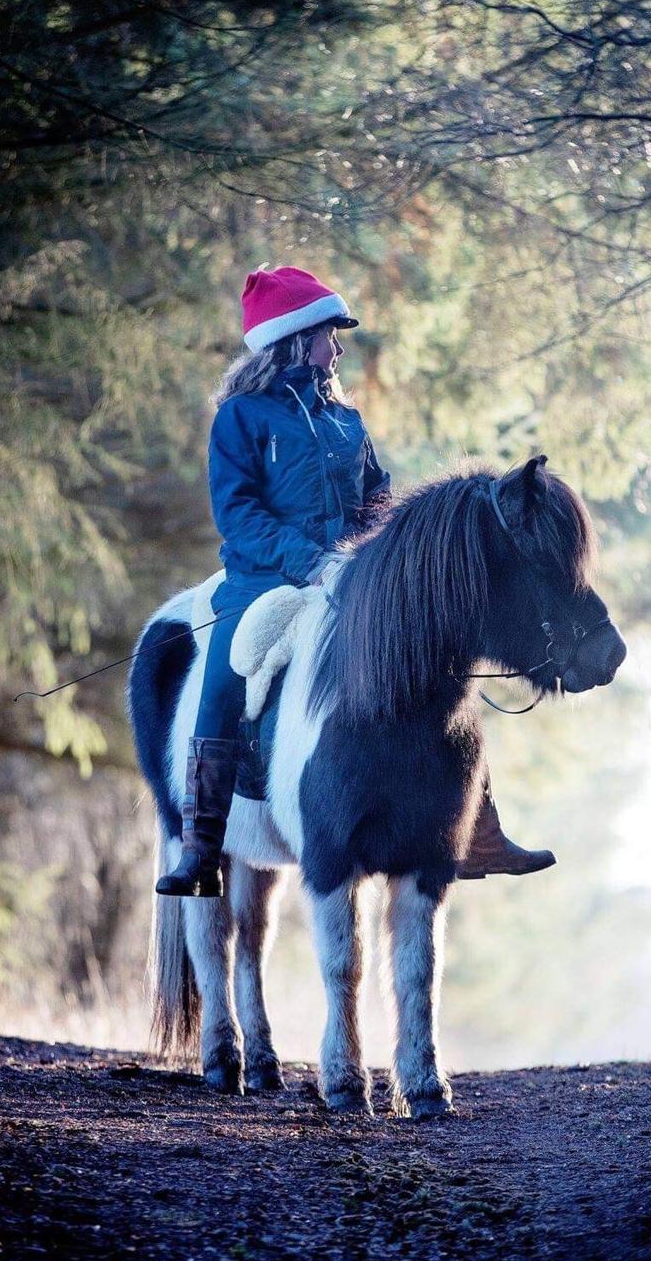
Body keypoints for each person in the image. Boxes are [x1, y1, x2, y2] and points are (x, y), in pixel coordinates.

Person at [156, 265, 554, 897]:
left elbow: (377, 495)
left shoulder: (345, 418)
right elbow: (239, 515)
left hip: (351, 578)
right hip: (265, 583)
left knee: (437, 661)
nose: (337, 347)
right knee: (225, 676)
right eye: (328, 335)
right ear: (293, 339)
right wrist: (311, 559)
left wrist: (382, 553)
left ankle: (478, 828)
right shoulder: (241, 418)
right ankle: (201, 847)